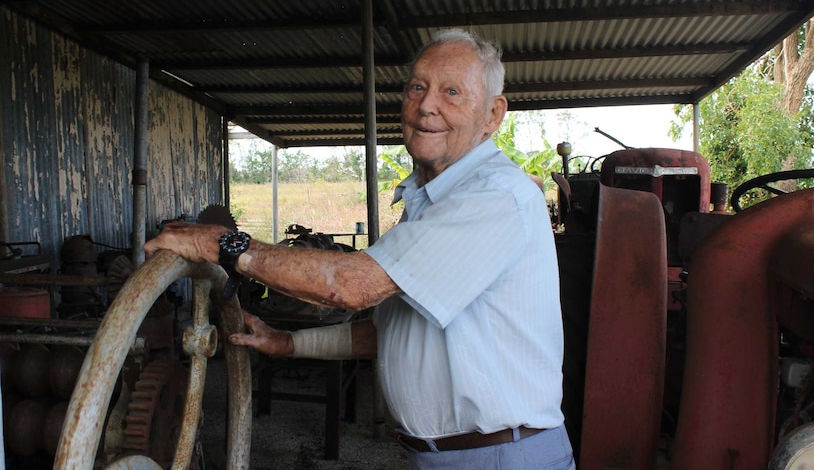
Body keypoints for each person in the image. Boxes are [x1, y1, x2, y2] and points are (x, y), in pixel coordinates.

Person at [144, 28, 574, 470]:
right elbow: (390, 333)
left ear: (492, 114)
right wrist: (287, 343)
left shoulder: (493, 195)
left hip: (502, 458)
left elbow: (351, 286)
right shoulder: (429, 205)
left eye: (451, 92)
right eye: (417, 87)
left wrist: (222, 244)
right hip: (453, 457)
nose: (427, 105)